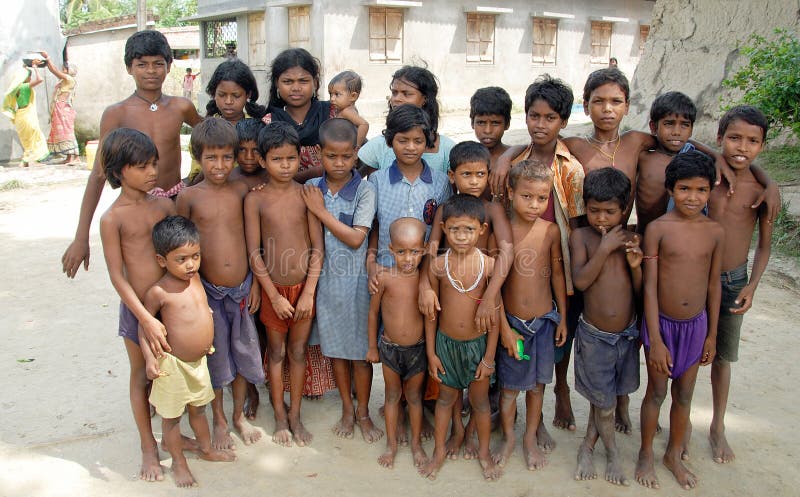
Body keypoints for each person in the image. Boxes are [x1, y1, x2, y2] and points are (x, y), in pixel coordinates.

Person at [61, 30, 202, 279]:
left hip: (175, 202)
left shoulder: (181, 107)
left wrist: (197, 179)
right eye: (142, 64)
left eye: (158, 64)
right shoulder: (117, 113)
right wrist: (81, 237)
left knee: (183, 272)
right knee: (143, 273)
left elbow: (212, 137)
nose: (151, 71)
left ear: (169, 67)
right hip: (137, 206)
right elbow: (98, 174)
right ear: (129, 68)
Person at [490, 74, 585, 436]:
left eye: (550, 118)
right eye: (534, 116)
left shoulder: (570, 168)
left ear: (562, 121)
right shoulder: (512, 165)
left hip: (553, 265)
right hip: (514, 272)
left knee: (554, 347)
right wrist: (509, 154)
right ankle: (523, 418)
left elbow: (575, 224)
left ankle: (546, 407)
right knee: (513, 351)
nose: (540, 124)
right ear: (525, 116)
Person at [419, 141, 514, 458]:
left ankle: (477, 443)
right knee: (450, 397)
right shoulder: (446, 210)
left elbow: (507, 252)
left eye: (480, 174)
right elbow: (432, 248)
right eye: (466, 174)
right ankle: (454, 441)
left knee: (482, 391)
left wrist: (489, 295)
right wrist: (425, 285)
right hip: (449, 284)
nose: (474, 181)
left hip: (485, 289)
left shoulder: (492, 209)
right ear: (452, 176)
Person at [636, 150, 723, 490]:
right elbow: (651, 286)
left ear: (709, 191)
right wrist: (655, 338)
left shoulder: (715, 231)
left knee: (684, 394)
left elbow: (714, 285)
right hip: (663, 325)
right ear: (670, 190)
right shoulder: (658, 229)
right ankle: (645, 452)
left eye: (701, 190)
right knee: (656, 392)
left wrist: (712, 335)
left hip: (696, 325)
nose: (693, 197)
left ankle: (673, 453)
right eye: (684, 189)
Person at [176, 117, 265, 450]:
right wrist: (192, 294)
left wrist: (255, 282)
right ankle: (220, 420)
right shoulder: (188, 197)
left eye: (227, 157)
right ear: (198, 156)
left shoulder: (242, 191)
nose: (220, 165)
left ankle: (239, 416)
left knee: (242, 356)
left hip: (242, 290)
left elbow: (253, 241)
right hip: (208, 293)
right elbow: (181, 248)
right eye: (211, 158)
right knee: (217, 360)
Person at [96, 128, 176, 481]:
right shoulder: (112, 219)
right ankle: (148, 445)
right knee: (141, 375)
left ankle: (174, 437)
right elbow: (117, 276)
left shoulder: (164, 205)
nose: (152, 172)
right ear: (118, 170)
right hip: (138, 310)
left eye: (154, 164)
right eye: (142, 166)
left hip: (172, 306)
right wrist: (145, 318)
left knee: (174, 370)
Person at [245, 121, 325, 447]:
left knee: (297, 352)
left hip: (303, 289)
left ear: (299, 158)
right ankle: (279, 415)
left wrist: (308, 292)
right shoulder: (255, 200)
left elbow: (318, 249)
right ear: (263, 161)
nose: (285, 166)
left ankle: (296, 414)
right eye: (277, 160)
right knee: (275, 353)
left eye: (291, 159)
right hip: (273, 290)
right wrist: (273, 296)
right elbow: (254, 252)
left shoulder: (306, 195)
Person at [302, 118, 382, 443]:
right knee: (335, 351)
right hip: (329, 285)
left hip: (360, 285)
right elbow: (316, 247)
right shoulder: (313, 191)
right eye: (331, 156)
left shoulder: (364, 189)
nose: (339, 163)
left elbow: (355, 239)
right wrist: (313, 288)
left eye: (346, 157)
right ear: (320, 154)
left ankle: (363, 411)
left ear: (356, 154)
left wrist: (322, 213)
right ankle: (347, 408)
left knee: (361, 354)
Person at [140, 215, 235, 487]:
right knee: (171, 420)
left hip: (199, 363)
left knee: (198, 411)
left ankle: (205, 448)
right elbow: (144, 327)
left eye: (195, 256)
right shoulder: (159, 292)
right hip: (173, 366)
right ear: (162, 261)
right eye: (181, 259)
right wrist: (149, 359)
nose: (190, 264)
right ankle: (179, 464)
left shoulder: (195, 280)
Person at [418, 194, 502, 481]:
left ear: (482, 229)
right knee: (445, 400)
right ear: (443, 228)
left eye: (468, 229)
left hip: (478, 347)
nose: (461, 236)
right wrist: (431, 353)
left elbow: (495, 317)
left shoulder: (489, 267)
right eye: (454, 229)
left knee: (479, 403)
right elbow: (432, 315)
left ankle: (484, 452)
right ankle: (439, 451)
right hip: (445, 345)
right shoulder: (438, 266)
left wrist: (489, 358)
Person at [707, 106, 773, 464]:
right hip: (697, 279)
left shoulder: (762, 190)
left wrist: (753, 286)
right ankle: (678, 420)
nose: (742, 148)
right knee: (687, 354)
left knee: (723, 357)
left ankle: (718, 425)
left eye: (752, 141)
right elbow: (685, 145)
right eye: (734, 138)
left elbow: (764, 244)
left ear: (762, 146)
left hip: (734, 280)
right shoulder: (708, 176)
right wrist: (712, 155)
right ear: (720, 140)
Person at [493, 159, 567, 471]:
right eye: (527, 196)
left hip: (545, 323)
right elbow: (492, 282)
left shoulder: (549, 231)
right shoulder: (502, 230)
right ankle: (510, 436)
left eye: (542, 198)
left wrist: (562, 315)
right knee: (510, 389)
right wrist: (505, 331)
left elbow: (557, 274)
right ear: (510, 192)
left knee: (538, 387)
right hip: (512, 325)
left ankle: (530, 438)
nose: (535, 204)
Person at [570, 168, 643, 486]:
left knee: (607, 399)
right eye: (594, 210)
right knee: (605, 404)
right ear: (584, 204)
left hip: (626, 335)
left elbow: (639, 291)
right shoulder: (581, 237)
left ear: (624, 209)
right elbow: (582, 281)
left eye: (610, 211)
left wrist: (635, 266)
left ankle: (588, 444)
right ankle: (610, 452)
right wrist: (604, 248)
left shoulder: (633, 238)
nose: (601, 218)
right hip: (595, 336)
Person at [367, 217, 429, 469]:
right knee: (392, 396)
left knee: (414, 398)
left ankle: (415, 444)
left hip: (418, 349)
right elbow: (373, 314)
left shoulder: (426, 282)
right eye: (401, 251)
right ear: (391, 249)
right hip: (390, 348)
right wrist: (372, 347)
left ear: (423, 250)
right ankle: (391, 444)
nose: (408, 258)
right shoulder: (384, 278)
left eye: (415, 251)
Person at [358, 65, 456, 174]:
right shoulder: (378, 146)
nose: (397, 99)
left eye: (406, 94)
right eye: (394, 93)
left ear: (425, 99)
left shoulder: (447, 150)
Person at [187, 59, 268, 184]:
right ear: (214, 94)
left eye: (236, 96)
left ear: (248, 95)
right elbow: (195, 181)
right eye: (222, 95)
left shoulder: (258, 128)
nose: (228, 101)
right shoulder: (205, 131)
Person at [262, 48, 333, 182]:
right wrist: (314, 172)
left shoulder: (333, 114)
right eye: (288, 82)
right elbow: (266, 173)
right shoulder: (268, 123)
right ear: (277, 83)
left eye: (303, 81)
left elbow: (357, 155)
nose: (295, 88)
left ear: (315, 82)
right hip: (287, 199)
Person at [636, 92, 698, 234]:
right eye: (669, 124)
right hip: (644, 238)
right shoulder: (643, 158)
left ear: (691, 129)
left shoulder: (695, 162)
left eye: (684, 125)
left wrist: (717, 157)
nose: (676, 132)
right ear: (653, 127)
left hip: (679, 240)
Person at [2, 63, 50, 167]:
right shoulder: (24, 87)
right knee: (35, 138)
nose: (30, 78)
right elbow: (40, 79)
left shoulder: (16, 88)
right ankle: (32, 160)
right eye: (29, 76)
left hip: (20, 116)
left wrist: (24, 67)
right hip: (27, 116)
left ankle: (25, 161)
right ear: (25, 77)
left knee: (27, 140)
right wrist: (36, 68)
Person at [40, 50, 80, 165]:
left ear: (69, 71)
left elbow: (54, 71)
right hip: (60, 108)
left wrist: (47, 58)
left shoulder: (69, 79)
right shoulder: (65, 80)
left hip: (63, 108)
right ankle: (69, 157)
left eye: (64, 69)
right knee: (63, 131)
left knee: (67, 131)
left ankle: (74, 158)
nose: (62, 70)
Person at [470, 86, 512, 178]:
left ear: (507, 124)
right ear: (472, 123)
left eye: (495, 123)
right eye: (481, 122)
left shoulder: (515, 159)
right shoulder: (465, 158)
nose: (487, 130)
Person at [327, 70, 369, 146]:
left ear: (353, 96)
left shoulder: (347, 111)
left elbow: (364, 124)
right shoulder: (345, 109)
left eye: (337, 94)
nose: (332, 98)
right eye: (330, 94)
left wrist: (356, 146)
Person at [229, 118, 269, 191]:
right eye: (242, 150)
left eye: (256, 150)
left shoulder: (273, 177)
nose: (249, 157)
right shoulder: (227, 176)